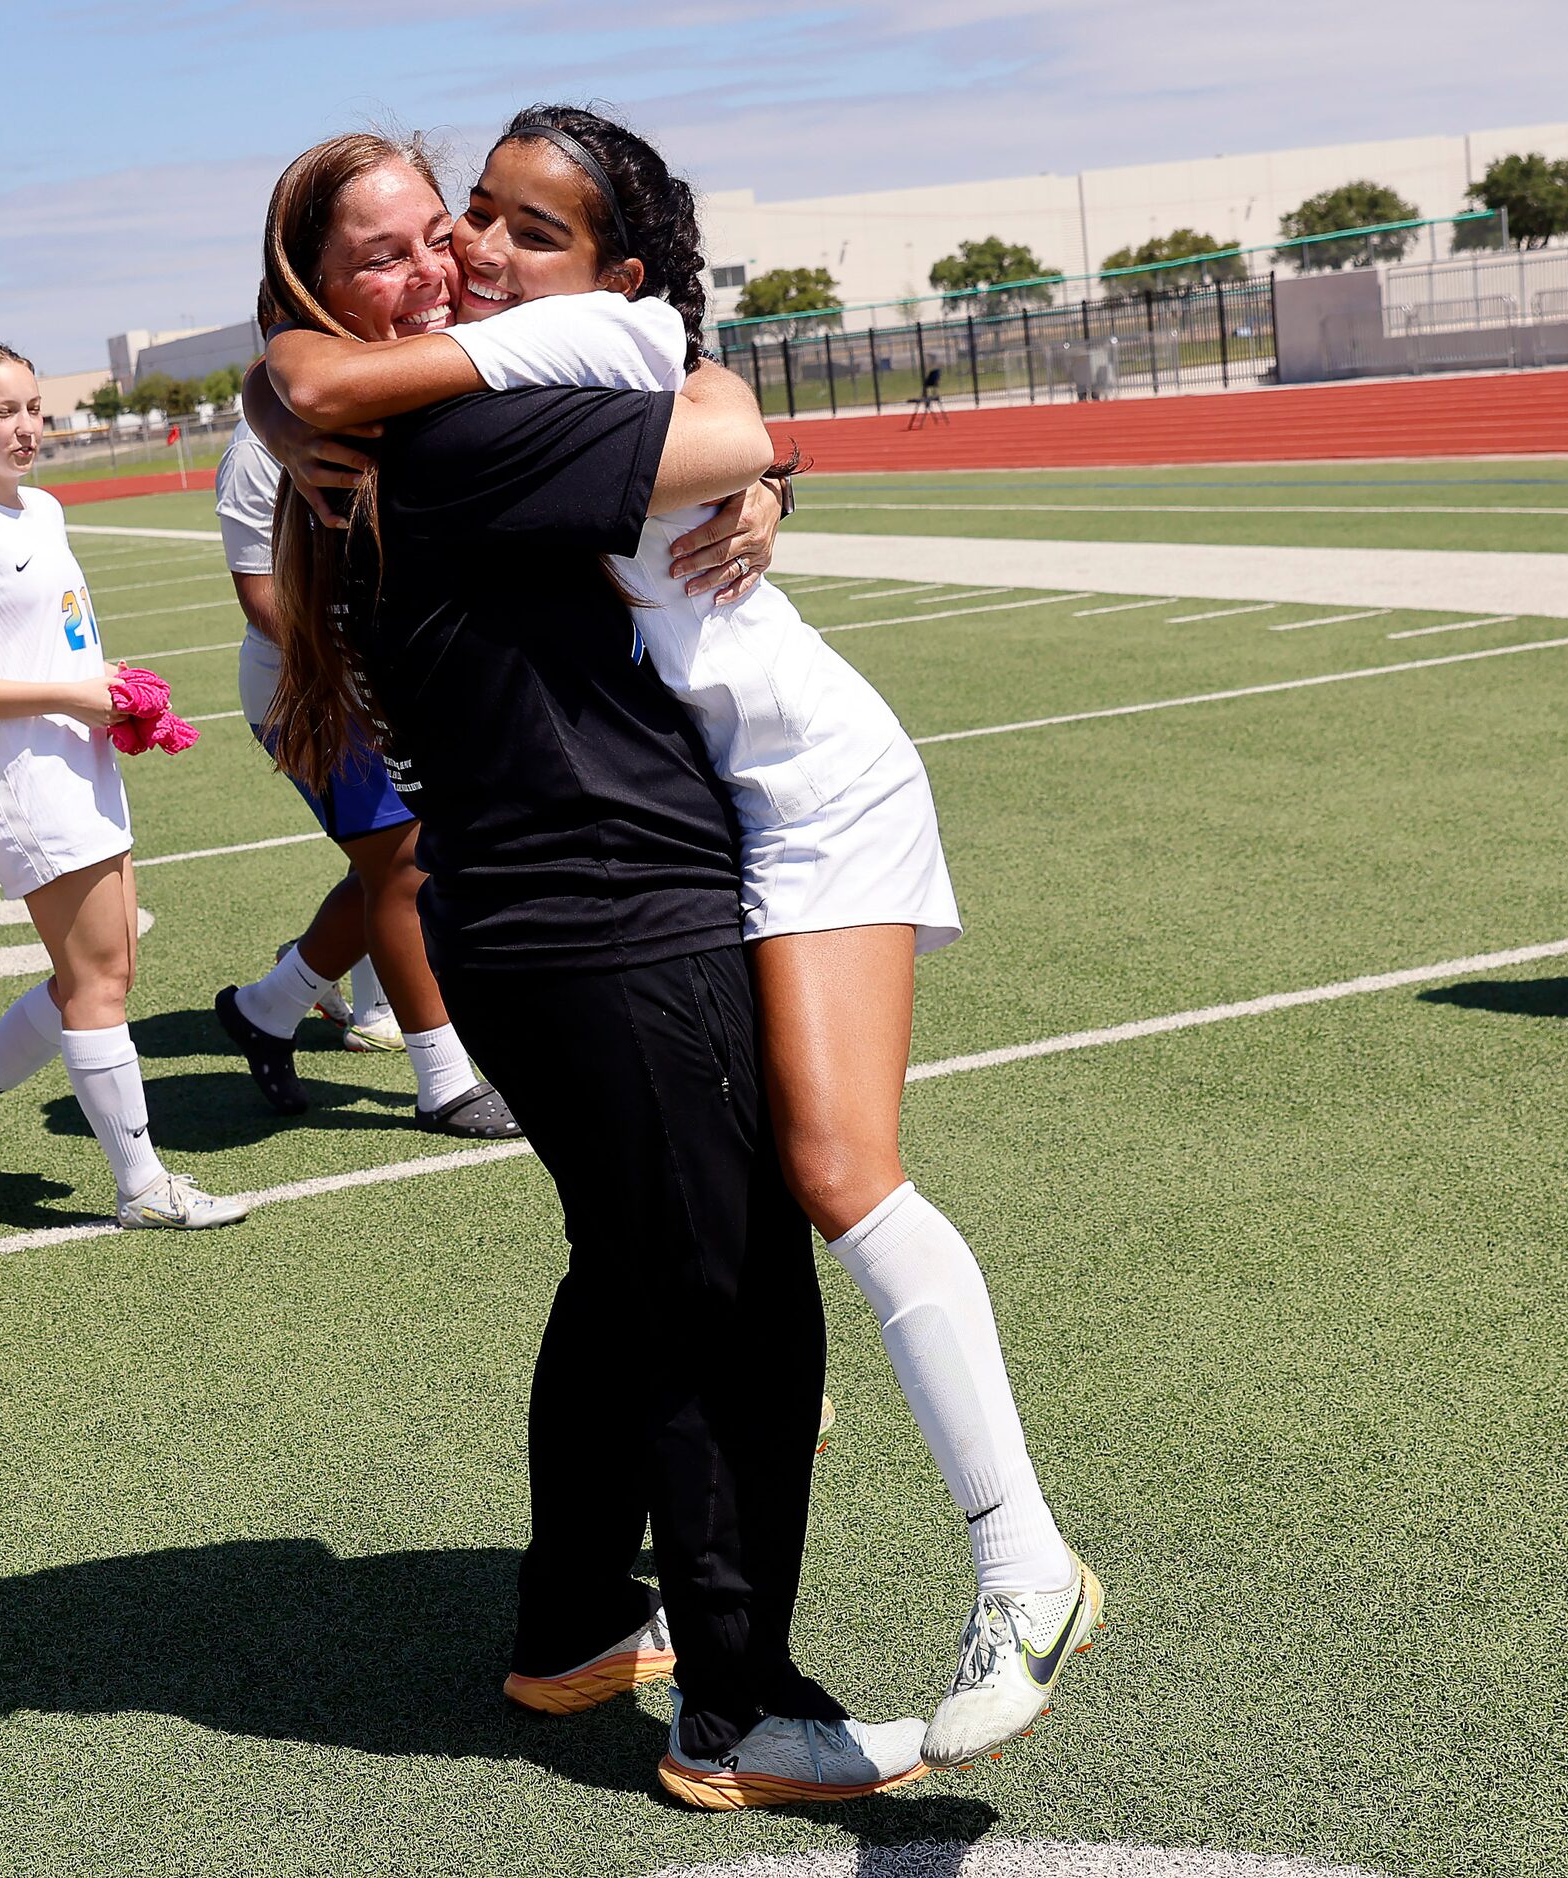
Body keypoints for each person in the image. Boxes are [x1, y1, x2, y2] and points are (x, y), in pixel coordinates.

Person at [261, 105, 1102, 1780]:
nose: (452, 259)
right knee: (733, 1296)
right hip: (612, 905)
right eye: (406, 242)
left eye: (477, 223)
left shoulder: (481, 390)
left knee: (664, 1271)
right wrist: (300, 377)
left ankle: (586, 1620)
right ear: (319, 283)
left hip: (607, 879)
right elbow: (706, 414)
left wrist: (755, 468)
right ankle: (748, 1705)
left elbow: (717, 415)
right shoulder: (450, 426)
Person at [0, 342, 249, 1232]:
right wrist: (69, 694)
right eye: (2, 412)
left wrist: (117, 694)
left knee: (104, 966)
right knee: (99, 980)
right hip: (26, 782)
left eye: (33, 409)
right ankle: (142, 1187)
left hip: (81, 765)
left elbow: (55, 645)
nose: (25, 428)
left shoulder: (42, 509)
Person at [209, 257, 516, 1139]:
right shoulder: (253, 448)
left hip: (377, 678)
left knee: (389, 863)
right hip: (311, 692)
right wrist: (372, 650)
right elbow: (263, 602)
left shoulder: (374, 403)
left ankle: (267, 1010)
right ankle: (443, 1080)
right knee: (406, 865)